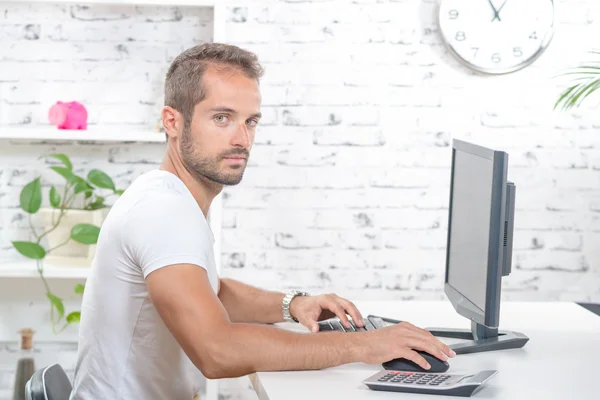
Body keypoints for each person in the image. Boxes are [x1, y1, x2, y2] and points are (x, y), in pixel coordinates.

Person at [69, 42, 455, 399]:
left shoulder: (170, 197)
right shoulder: (163, 212)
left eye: (250, 121)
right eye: (222, 118)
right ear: (172, 121)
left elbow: (209, 292)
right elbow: (216, 351)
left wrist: (294, 304)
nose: (241, 139)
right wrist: (364, 346)